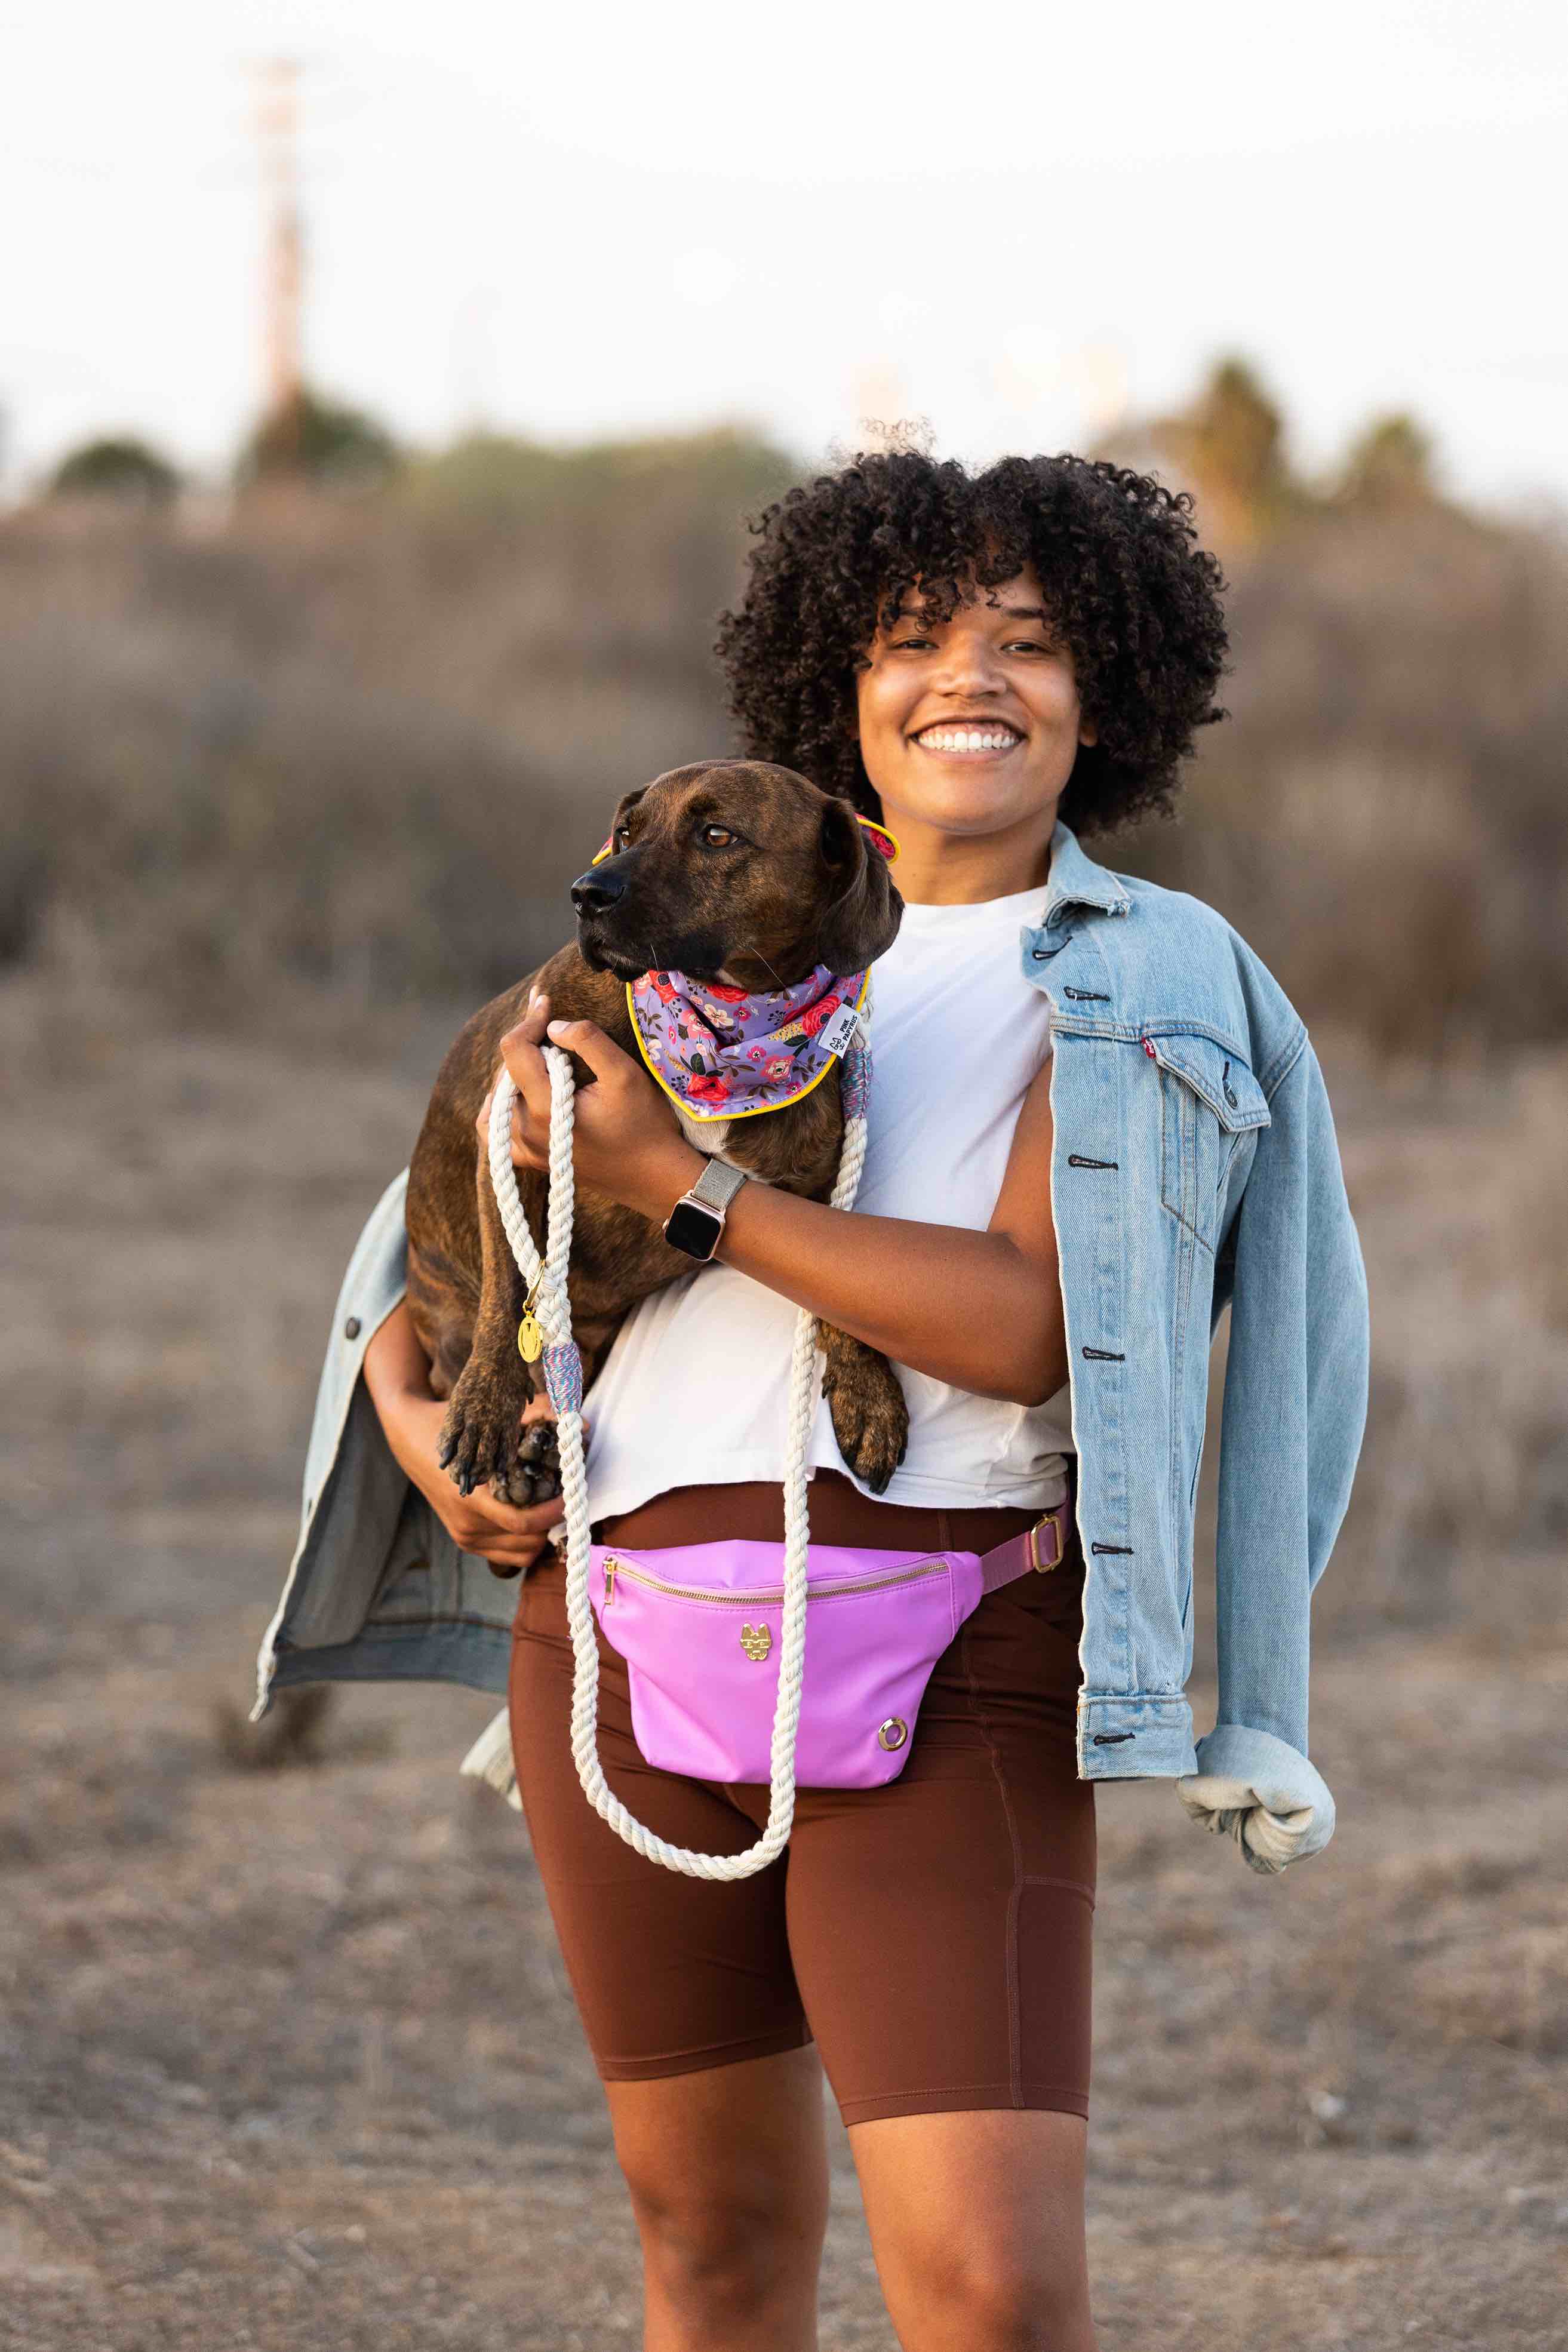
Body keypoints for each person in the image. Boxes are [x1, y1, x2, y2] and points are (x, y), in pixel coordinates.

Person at [256, 449, 1369, 2352]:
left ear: (1106, 690)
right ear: (833, 681)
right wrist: (420, 1424)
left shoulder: (1136, 974)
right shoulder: (660, 951)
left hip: (950, 1652)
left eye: (1031, 642)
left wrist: (687, 1190)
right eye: (916, 636)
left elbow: (1020, 1329)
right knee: (709, 2250)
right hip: (613, 1632)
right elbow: (432, 1232)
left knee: (991, 2294)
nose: (971, 677)